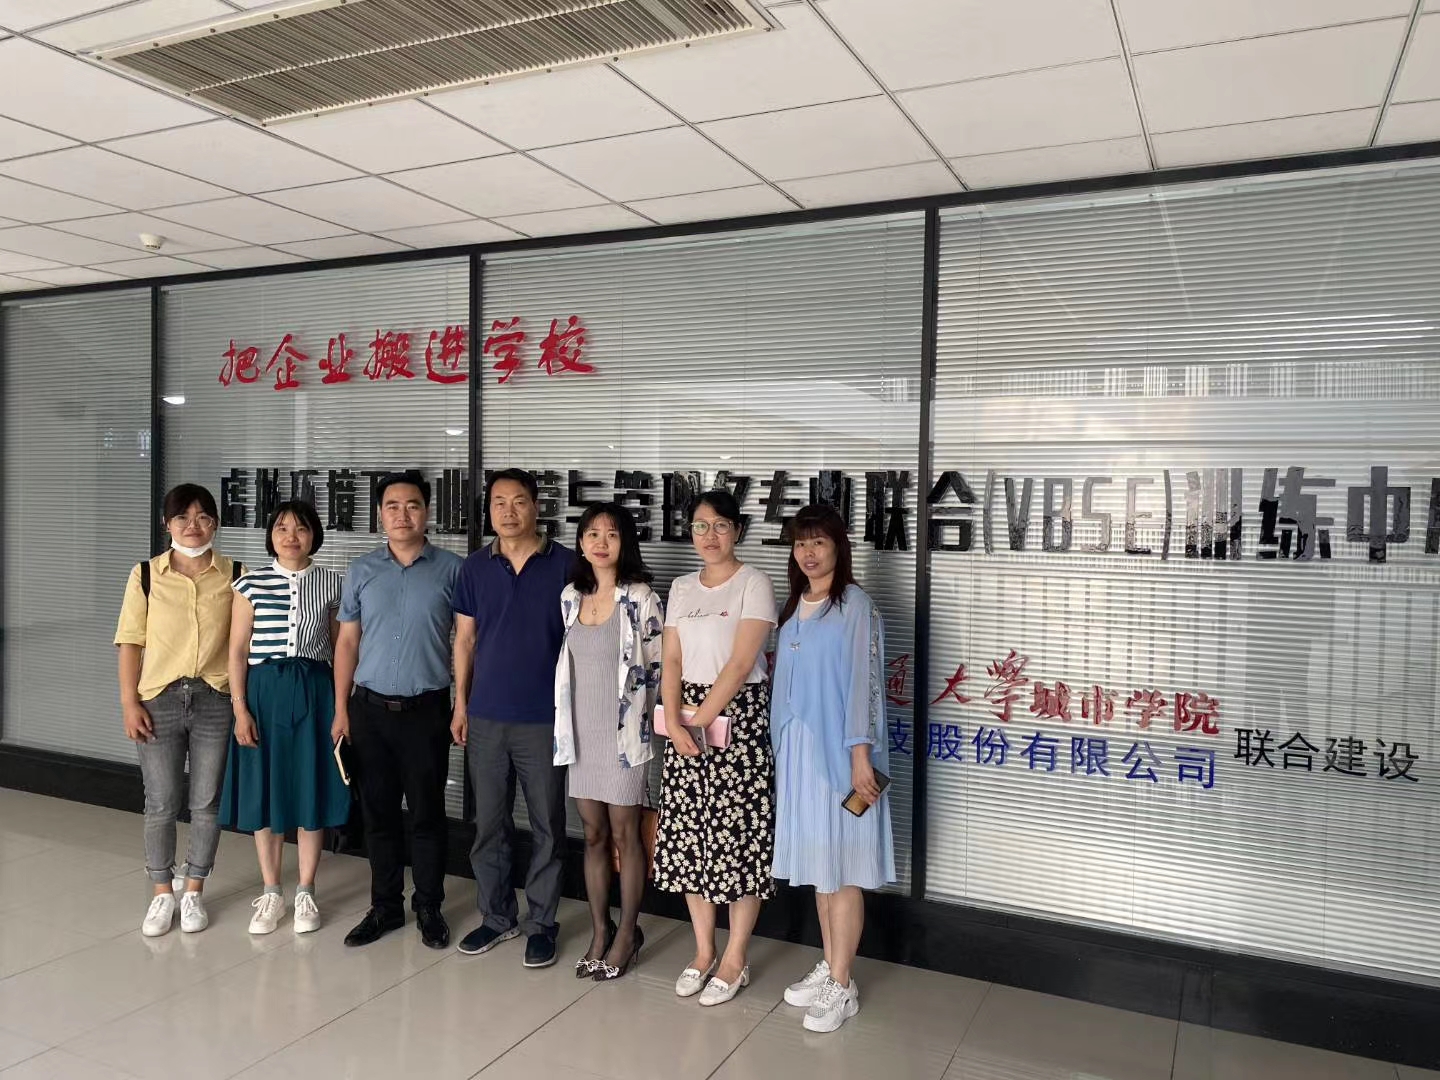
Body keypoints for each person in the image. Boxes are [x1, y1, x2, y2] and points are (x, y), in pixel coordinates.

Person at [771, 504, 895, 1033]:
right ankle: (830, 963)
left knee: (841, 871)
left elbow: (865, 684)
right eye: (801, 543)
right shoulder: (795, 604)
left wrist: (860, 753)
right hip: (798, 751)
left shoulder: (855, 606)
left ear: (838, 548)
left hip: (841, 754)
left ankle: (842, 984)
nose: (809, 553)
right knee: (820, 867)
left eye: (819, 542)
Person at [654, 490, 778, 1007]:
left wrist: (698, 723)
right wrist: (675, 723)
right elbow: (671, 660)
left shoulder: (754, 583)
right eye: (701, 526)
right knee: (690, 838)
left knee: (738, 838)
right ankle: (704, 951)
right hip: (685, 717)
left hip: (737, 719)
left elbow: (741, 663)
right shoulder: (682, 587)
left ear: (737, 531)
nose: (710, 535)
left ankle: (735, 957)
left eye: (721, 525)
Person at [333, 471, 464, 949]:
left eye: (412, 505)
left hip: (427, 711)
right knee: (379, 814)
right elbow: (347, 642)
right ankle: (385, 907)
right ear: (379, 514)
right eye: (392, 506)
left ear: (427, 512)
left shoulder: (453, 570)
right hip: (368, 711)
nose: (402, 514)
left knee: (427, 813)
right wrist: (341, 709)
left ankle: (428, 905)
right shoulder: (361, 570)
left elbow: (466, 641)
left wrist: (462, 704)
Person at [453, 468, 576, 969]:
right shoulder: (475, 567)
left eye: (519, 501)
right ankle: (497, 917)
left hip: (545, 718)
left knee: (547, 825)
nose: (508, 511)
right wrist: (460, 704)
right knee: (489, 825)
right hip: (486, 715)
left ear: (536, 507)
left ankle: (542, 924)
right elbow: (465, 640)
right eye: (499, 502)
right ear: (489, 510)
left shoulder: (567, 563)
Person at [114, 483, 244, 938]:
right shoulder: (146, 575)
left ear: (216, 524)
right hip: (159, 699)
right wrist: (129, 702)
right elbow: (130, 642)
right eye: (182, 517)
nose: (193, 526)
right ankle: (161, 892)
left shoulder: (236, 575)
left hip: (215, 699)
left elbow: (242, 644)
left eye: (203, 517)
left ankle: (193, 890)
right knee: (161, 802)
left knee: (206, 802)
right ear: (166, 524)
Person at [218, 500, 349, 936]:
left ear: (314, 535)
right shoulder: (249, 584)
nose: (291, 537)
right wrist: (240, 709)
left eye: (301, 528)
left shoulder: (333, 583)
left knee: (311, 787)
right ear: (271, 536)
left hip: (316, 691)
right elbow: (237, 651)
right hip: (264, 693)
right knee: (267, 789)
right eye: (282, 528)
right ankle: (272, 891)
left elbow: (340, 648)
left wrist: (342, 705)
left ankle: (306, 890)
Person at [553, 502, 663, 982]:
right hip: (579, 735)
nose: (601, 542)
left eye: (611, 534)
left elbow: (657, 669)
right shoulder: (570, 597)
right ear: (580, 542)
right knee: (593, 834)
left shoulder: (640, 598)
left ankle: (628, 934)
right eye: (592, 533)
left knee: (625, 835)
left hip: (624, 737)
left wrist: (645, 726)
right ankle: (601, 931)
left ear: (625, 543)